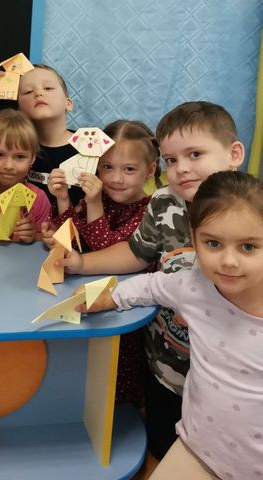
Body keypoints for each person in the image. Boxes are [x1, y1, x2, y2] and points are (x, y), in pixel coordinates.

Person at [60, 101, 244, 463]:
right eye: (172, 160)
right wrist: (81, 264)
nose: (182, 168)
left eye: (195, 154)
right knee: (163, 449)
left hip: (228, 378)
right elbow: (136, 253)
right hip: (165, 365)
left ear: (233, 154)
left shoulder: (252, 209)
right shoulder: (163, 202)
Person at [82, 171, 263, 479]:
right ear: (194, 237)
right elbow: (151, 285)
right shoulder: (194, 285)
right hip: (198, 450)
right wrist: (108, 297)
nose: (229, 261)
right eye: (213, 243)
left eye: (248, 247)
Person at [44, 118, 160, 404]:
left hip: (123, 311)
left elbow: (104, 250)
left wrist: (94, 203)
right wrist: (62, 200)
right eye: (107, 167)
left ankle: (121, 411)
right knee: (83, 370)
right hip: (84, 296)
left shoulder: (149, 210)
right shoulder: (98, 197)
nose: (116, 178)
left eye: (129, 169)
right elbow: (74, 239)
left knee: (115, 376)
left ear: (150, 170)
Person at [0, 63, 84, 206]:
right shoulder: (14, 141)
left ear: (68, 103)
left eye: (48, 88)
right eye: (28, 91)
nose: (38, 93)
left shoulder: (92, 143)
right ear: (19, 109)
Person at [0, 109, 52, 244]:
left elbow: (48, 240)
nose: (9, 166)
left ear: (32, 158)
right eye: (0, 155)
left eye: (20, 157)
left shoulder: (38, 199)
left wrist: (33, 237)